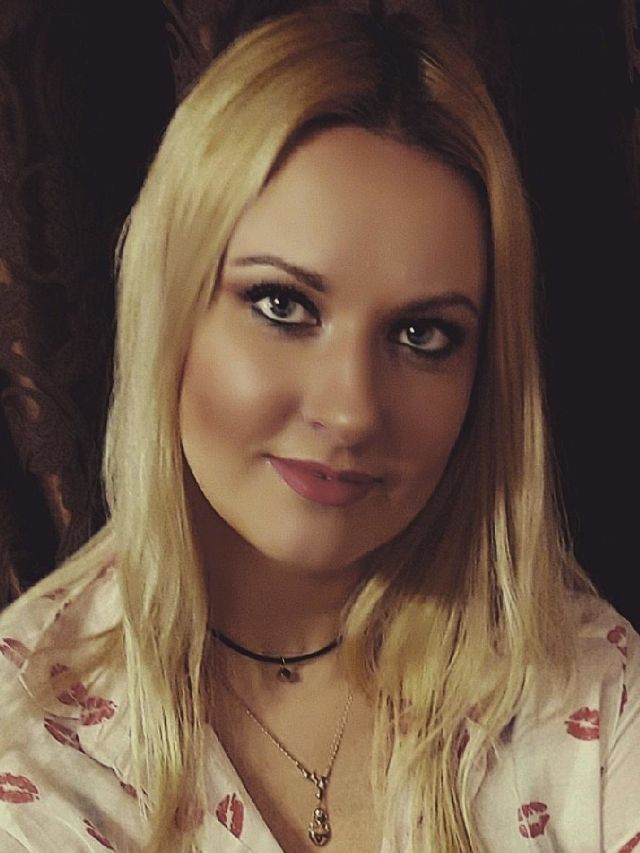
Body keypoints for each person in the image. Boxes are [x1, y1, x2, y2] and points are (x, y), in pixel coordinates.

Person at [0, 4, 638, 852]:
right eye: (282, 304)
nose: (350, 409)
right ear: (170, 309)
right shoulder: (28, 737)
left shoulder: (586, 687)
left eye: (423, 334)